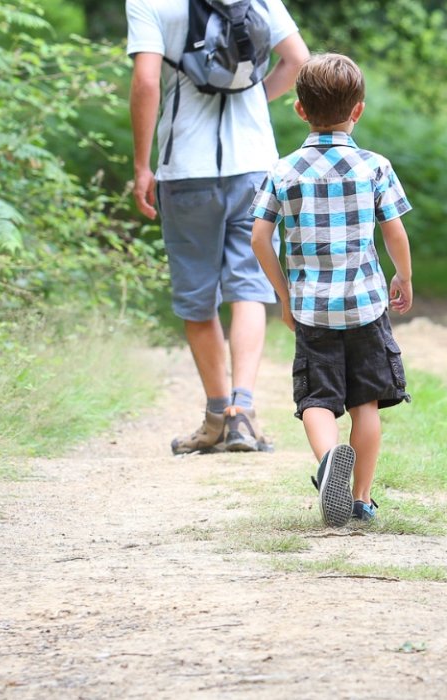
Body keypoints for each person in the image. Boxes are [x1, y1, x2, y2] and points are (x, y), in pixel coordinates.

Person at [126, 0, 308, 455]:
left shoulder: (149, 4)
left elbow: (147, 81)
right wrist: (251, 97)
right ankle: (242, 414)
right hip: (254, 164)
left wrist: (141, 165)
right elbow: (299, 61)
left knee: (197, 295)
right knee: (249, 286)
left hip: (184, 169)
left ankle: (215, 415)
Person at [249, 53, 415, 528]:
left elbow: (259, 237)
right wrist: (402, 276)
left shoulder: (283, 171)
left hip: (311, 309)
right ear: (357, 110)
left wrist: (284, 295)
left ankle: (327, 464)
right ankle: (361, 499)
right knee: (366, 403)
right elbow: (395, 233)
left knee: (317, 400)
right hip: (365, 304)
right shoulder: (374, 167)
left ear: (300, 110)